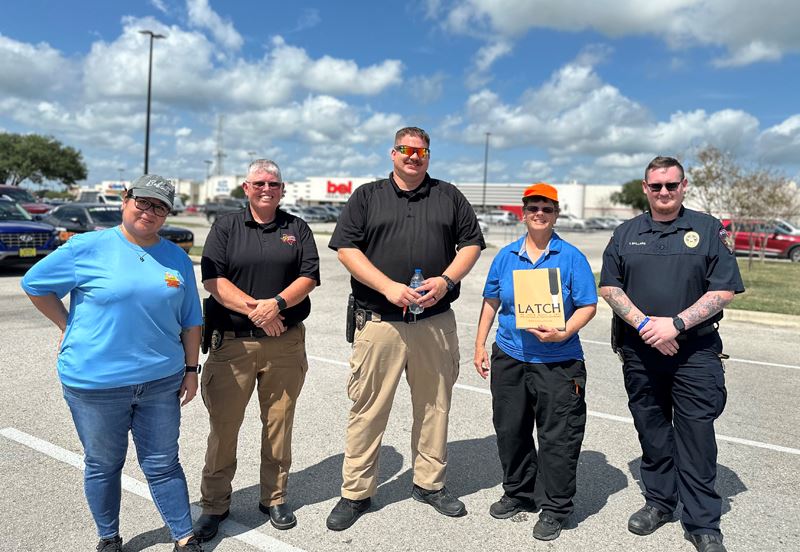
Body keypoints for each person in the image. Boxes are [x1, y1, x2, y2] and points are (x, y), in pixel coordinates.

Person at [21, 175, 204, 552]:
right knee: (104, 464)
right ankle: (109, 538)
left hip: (160, 382)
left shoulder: (176, 257)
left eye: (160, 207)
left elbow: (191, 320)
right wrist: (66, 323)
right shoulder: (86, 247)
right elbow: (35, 284)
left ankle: (184, 537)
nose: (149, 212)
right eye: (144, 201)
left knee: (164, 463)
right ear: (125, 199)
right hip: (95, 384)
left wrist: (190, 370)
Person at [325, 126, 485, 531]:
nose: (413, 157)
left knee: (434, 407)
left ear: (429, 155)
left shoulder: (449, 195)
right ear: (392, 153)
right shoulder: (367, 196)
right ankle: (356, 493)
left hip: (434, 322)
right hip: (380, 322)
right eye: (405, 150)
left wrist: (446, 280)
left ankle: (429, 484)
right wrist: (388, 287)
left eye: (421, 151)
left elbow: (471, 244)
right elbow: (346, 248)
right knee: (368, 409)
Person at [599, 156, 744, 552]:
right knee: (653, 430)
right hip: (641, 350)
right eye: (656, 186)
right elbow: (610, 288)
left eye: (671, 185)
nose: (664, 192)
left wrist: (676, 325)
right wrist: (648, 327)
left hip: (694, 352)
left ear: (684, 186)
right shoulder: (626, 233)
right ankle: (659, 503)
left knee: (696, 436)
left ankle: (703, 522)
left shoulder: (708, 229)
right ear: (645, 188)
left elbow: (724, 290)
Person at [194, 159, 320, 541]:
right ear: (246, 188)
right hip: (233, 345)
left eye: (274, 184)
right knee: (224, 428)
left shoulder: (296, 228)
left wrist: (277, 305)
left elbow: (309, 276)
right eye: (259, 183)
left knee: (279, 425)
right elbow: (213, 280)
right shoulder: (225, 227)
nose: (267, 189)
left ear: (283, 189)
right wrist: (259, 311)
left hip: (285, 344)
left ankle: (275, 497)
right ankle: (214, 504)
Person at [473, 183, 597, 541]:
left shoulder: (571, 257)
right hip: (511, 355)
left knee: (557, 436)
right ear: (523, 214)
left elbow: (588, 305)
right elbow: (491, 301)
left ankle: (557, 507)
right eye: (532, 208)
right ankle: (518, 492)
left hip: (559, 361)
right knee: (510, 429)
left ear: (556, 213)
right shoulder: (506, 256)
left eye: (546, 208)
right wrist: (480, 345)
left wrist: (563, 332)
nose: (539, 214)